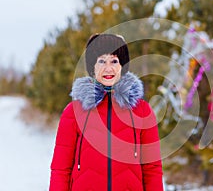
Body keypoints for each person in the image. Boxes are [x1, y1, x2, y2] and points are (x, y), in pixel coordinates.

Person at [49, 34, 164, 191]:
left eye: (114, 61)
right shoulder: (74, 111)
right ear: (93, 67)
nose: (108, 68)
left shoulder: (141, 110)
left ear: (123, 66)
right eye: (101, 61)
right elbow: (60, 169)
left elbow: (152, 169)